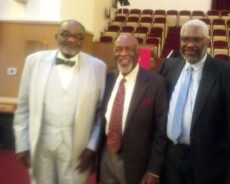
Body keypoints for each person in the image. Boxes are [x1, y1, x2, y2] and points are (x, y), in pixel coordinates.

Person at [13, 19, 107, 184]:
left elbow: (100, 114)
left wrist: (92, 146)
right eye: (65, 35)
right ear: (56, 36)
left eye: (78, 36)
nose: (71, 40)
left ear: (82, 40)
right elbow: (23, 107)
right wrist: (22, 143)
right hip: (42, 141)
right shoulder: (34, 62)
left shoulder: (98, 67)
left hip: (78, 146)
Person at [160, 19, 230, 184]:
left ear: (207, 42)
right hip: (171, 158)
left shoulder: (227, 72)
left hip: (208, 162)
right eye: (185, 39)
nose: (190, 44)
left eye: (196, 39)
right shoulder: (169, 66)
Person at [97, 34, 167, 184]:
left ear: (138, 53)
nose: (123, 53)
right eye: (118, 49)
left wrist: (154, 169)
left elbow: (160, 131)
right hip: (106, 157)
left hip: (137, 164)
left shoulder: (156, 83)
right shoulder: (107, 79)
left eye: (129, 49)